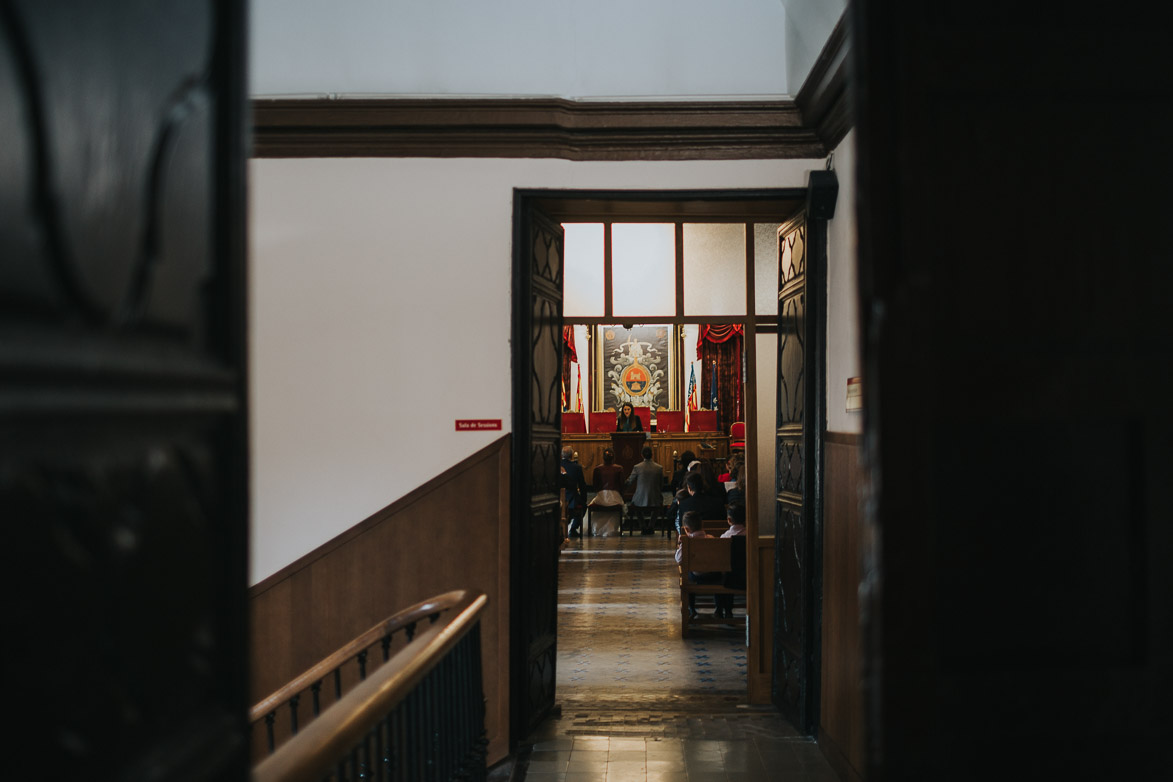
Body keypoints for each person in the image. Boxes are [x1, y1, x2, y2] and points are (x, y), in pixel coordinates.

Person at [675, 510, 719, 619]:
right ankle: (720, 609)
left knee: (686, 576)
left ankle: (692, 609)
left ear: (687, 529)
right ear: (702, 524)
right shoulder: (711, 538)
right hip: (714, 575)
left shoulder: (688, 542)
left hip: (696, 576)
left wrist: (681, 543)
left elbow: (679, 559)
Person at [716, 504, 748, 618]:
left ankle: (722, 609)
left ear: (729, 520)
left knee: (723, 578)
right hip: (749, 574)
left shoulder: (725, 537)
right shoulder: (750, 535)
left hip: (730, 576)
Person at [625, 445, 664, 534]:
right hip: (655, 498)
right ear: (652, 455)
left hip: (640, 499)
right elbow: (661, 484)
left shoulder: (637, 467)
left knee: (635, 506)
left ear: (642, 455)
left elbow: (629, 481)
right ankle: (651, 526)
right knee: (658, 505)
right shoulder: (659, 468)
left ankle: (643, 526)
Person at [588, 448, 625, 536]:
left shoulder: (598, 469)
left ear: (603, 458)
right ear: (614, 458)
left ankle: (597, 528)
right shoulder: (619, 468)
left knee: (591, 504)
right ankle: (612, 529)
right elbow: (621, 485)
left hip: (601, 496)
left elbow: (595, 486)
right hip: (615, 497)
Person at [560, 445, 588, 539]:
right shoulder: (576, 467)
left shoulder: (556, 465)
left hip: (558, 499)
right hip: (572, 499)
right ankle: (573, 528)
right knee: (583, 507)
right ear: (571, 456)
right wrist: (584, 499)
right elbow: (582, 486)